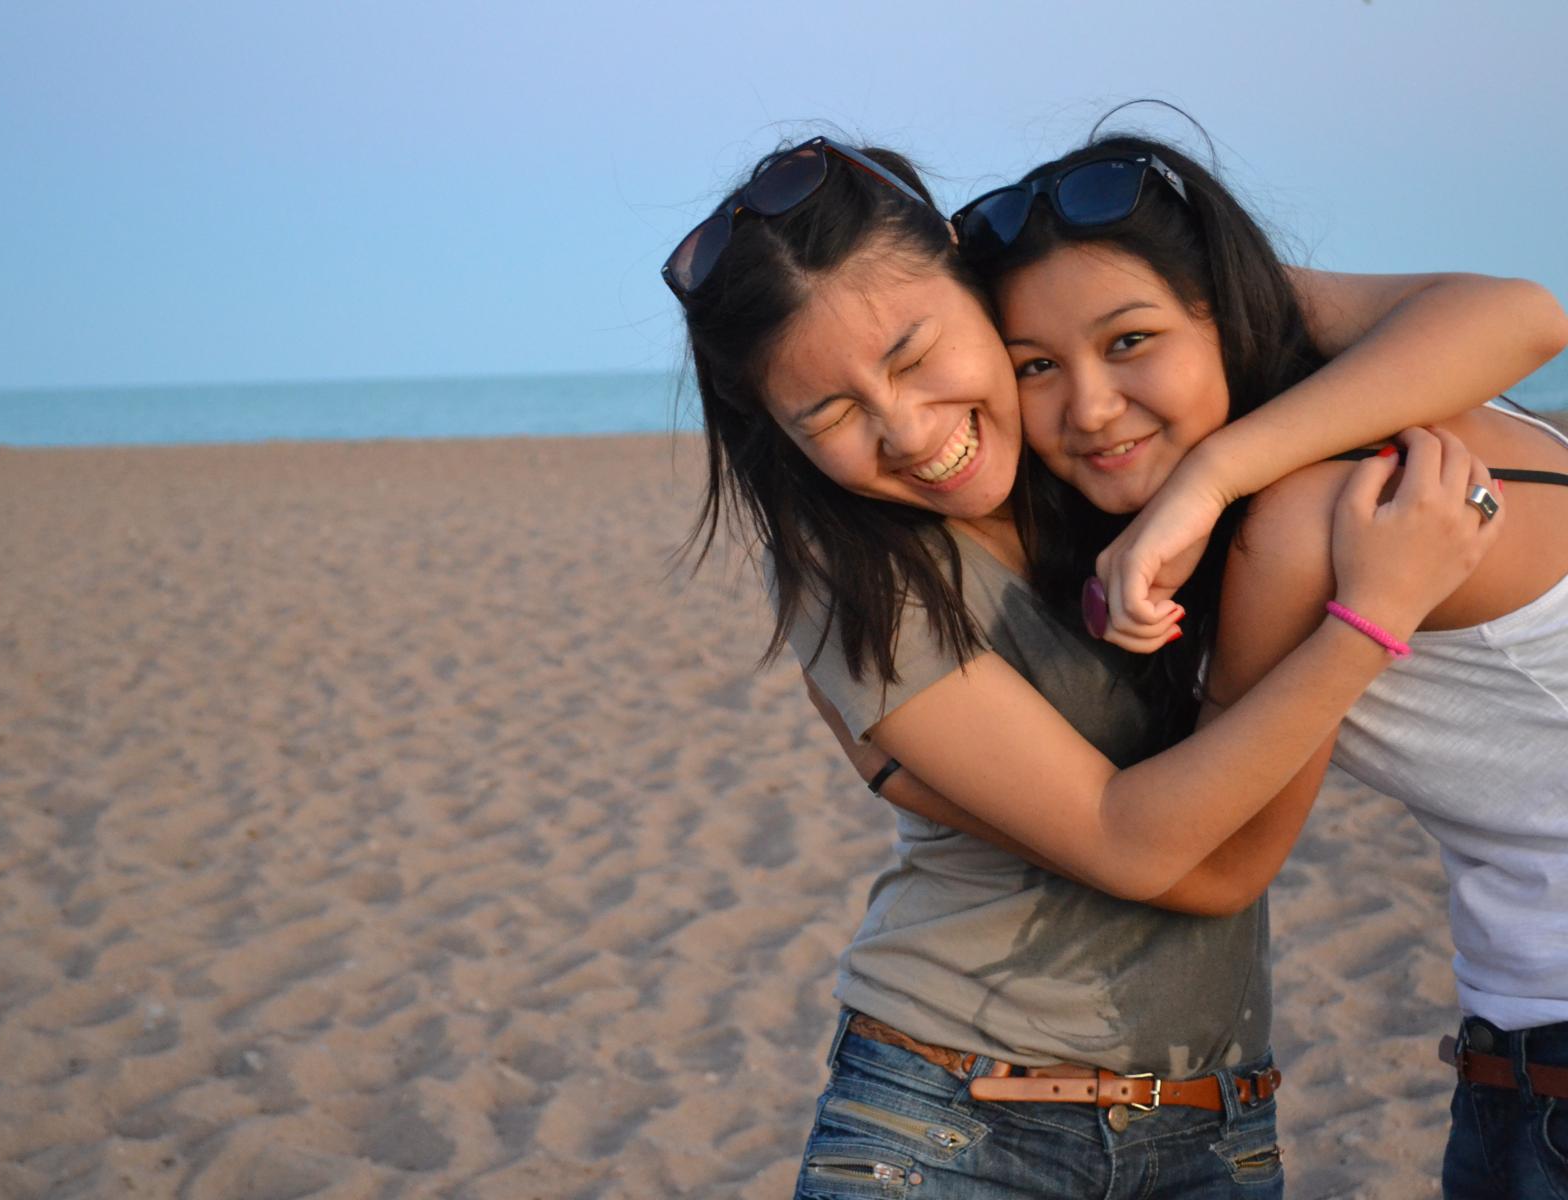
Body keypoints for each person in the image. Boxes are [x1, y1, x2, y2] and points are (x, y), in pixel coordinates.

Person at [663, 134, 1562, 1196]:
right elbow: (1193, 862)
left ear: (968, 283)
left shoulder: (1200, 456)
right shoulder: (864, 568)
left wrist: (1213, 479)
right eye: (831, 413)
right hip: (949, 1111)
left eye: (912, 357)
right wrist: (1365, 621)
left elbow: (1523, 316)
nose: (905, 429)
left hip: (1223, 1118)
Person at [935, 132, 1568, 1198]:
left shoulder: (1315, 514)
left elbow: (1220, 859)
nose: (1089, 406)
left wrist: (1213, 478)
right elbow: (1519, 316)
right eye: (1034, 366)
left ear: (1222, 316)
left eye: (1130, 340)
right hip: (1519, 1044)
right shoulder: (1373, 402)